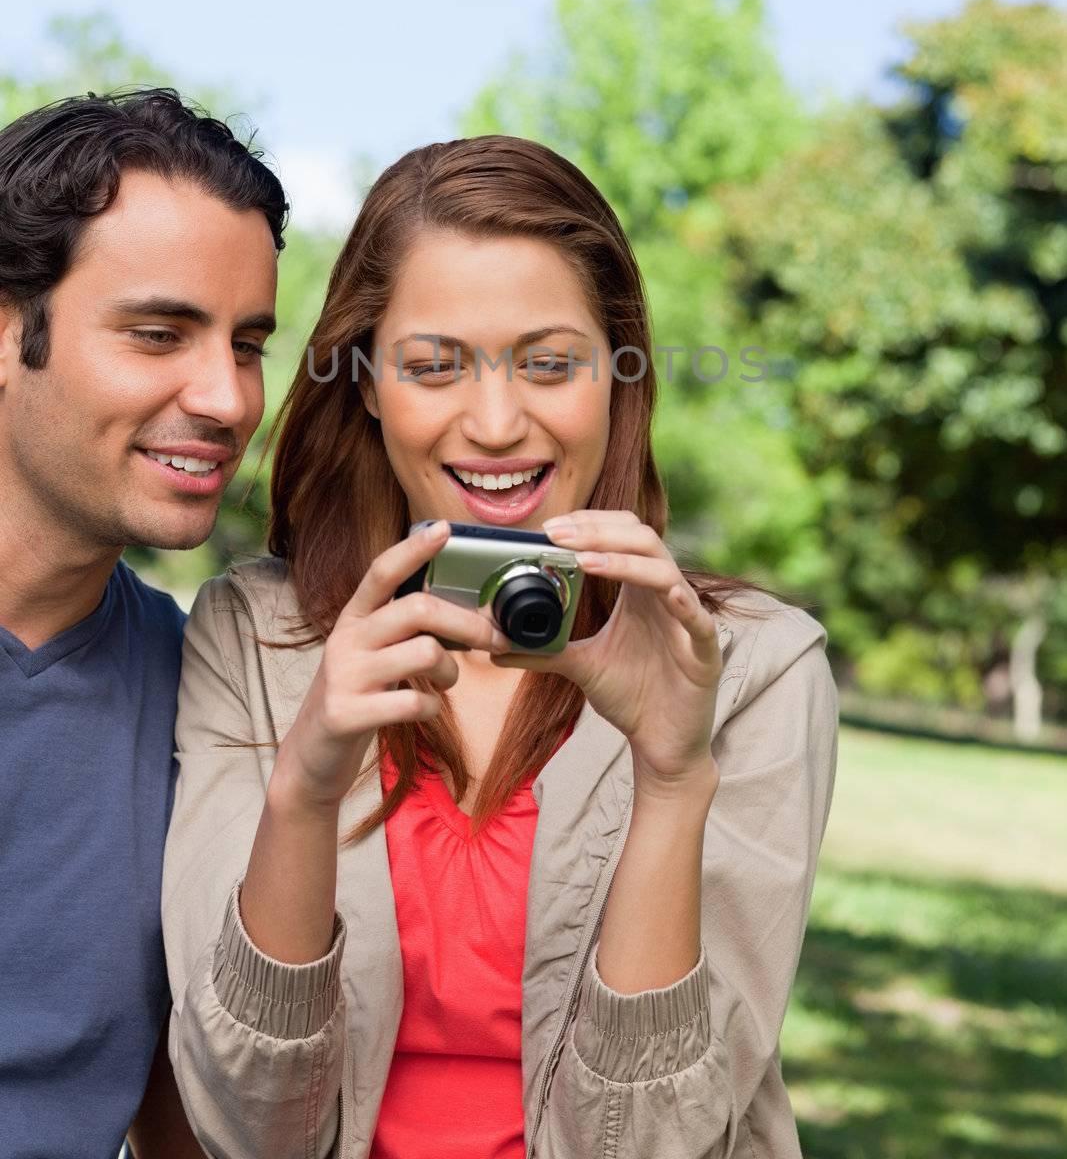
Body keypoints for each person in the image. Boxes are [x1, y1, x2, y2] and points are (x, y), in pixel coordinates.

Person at [162, 134, 838, 1159]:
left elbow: (650, 1146)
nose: (493, 421)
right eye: (433, 366)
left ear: (617, 376)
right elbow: (246, 1127)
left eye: (549, 363)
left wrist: (669, 778)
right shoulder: (251, 638)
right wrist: (304, 781)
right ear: (367, 385)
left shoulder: (750, 668)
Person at [0, 88, 286, 1159]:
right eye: (159, 333)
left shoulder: (204, 693)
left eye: (247, 343)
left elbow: (186, 1117)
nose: (224, 398)